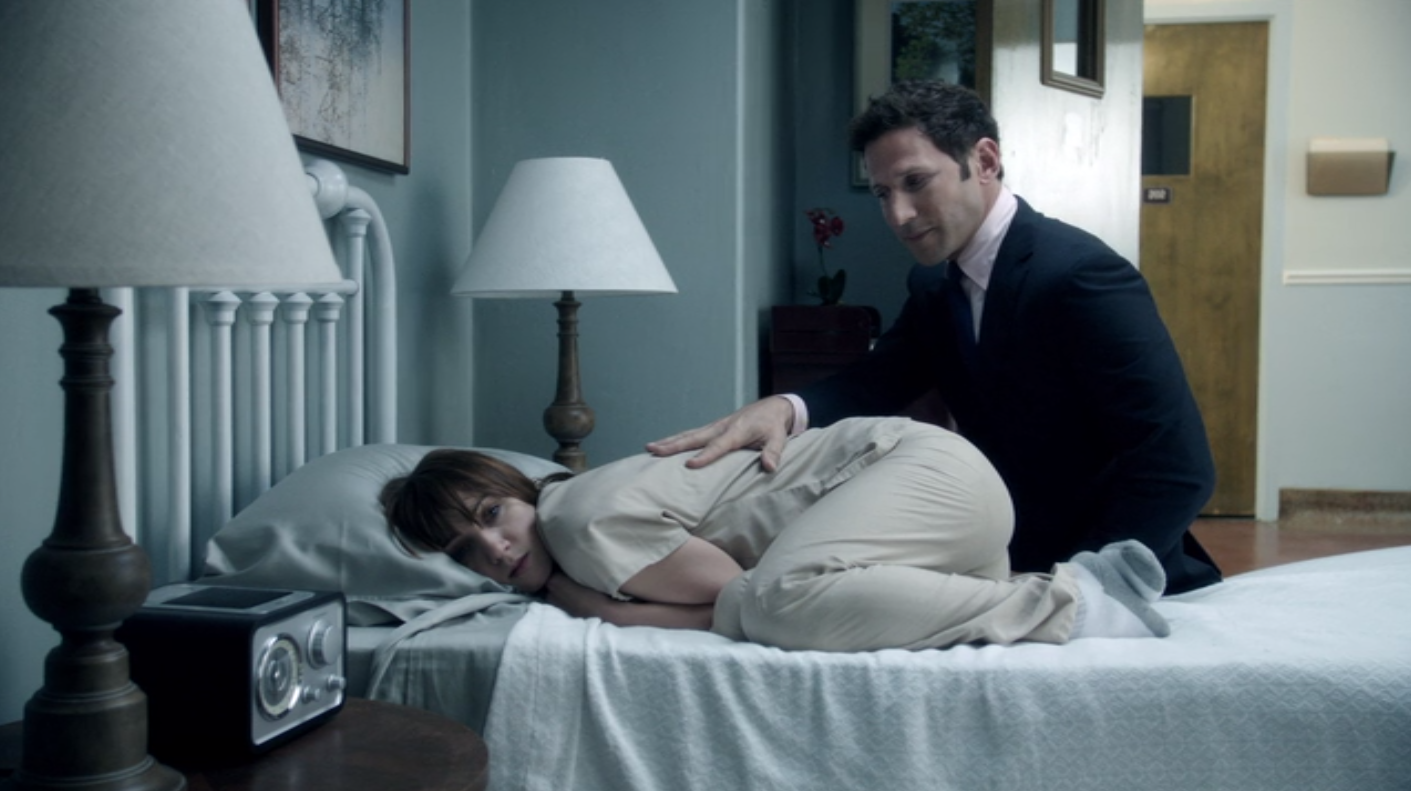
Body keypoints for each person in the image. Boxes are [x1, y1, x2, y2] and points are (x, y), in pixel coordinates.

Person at [647, 80, 1221, 595]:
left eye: (916, 182)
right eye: (882, 193)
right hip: (1004, 565)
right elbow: (880, 380)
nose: (898, 214)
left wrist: (1086, 588)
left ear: (985, 160)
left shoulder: (1080, 275)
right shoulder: (933, 283)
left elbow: (1177, 466)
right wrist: (783, 407)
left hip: (1105, 574)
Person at [382, 417, 1172, 653]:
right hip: (937, 518)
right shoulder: (576, 527)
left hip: (915, 471)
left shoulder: (575, 517)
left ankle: (1074, 599)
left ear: (521, 490)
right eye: (464, 551)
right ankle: (1030, 592)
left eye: (490, 515)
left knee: (779, 599)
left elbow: (735, 596)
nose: (492, 550)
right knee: (791, 596)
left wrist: (603, 610)